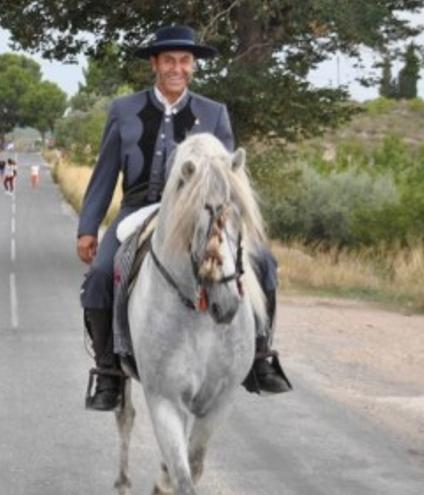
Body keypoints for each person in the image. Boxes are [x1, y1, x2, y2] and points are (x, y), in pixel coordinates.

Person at [77, 26, 291, 412]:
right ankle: (109, 371)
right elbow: (105, 172)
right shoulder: (123, 111)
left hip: (201, 214)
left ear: (193, 66)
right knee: (99, 276)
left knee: (264, 264)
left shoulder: (214, 113)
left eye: (185, 61)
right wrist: (88, 228)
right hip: (138, 211)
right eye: (169, 60)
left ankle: (260, 357)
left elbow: (228, 177)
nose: (178, 68)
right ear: (155, 64)